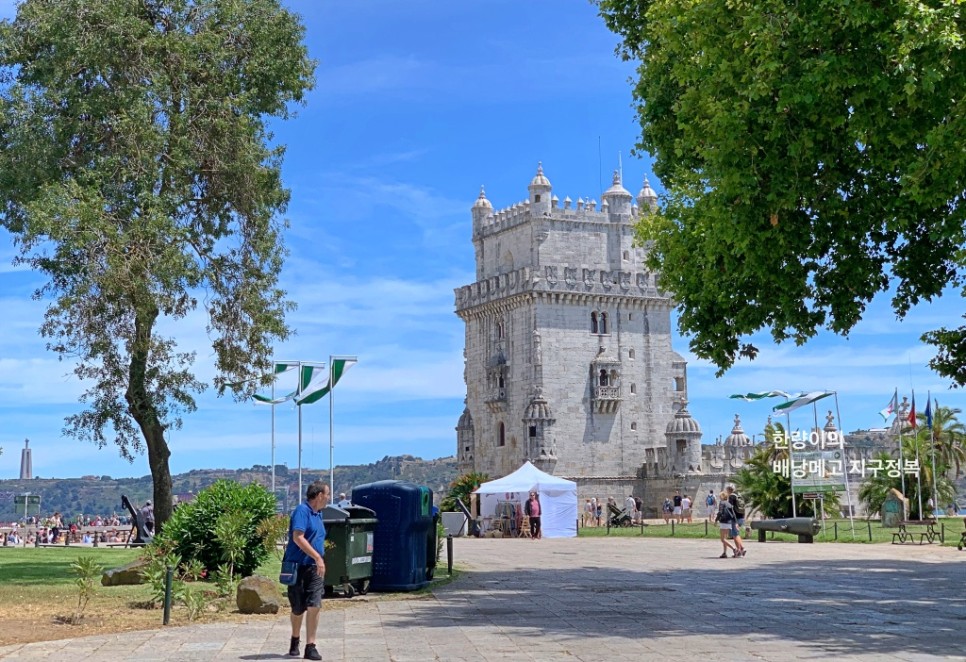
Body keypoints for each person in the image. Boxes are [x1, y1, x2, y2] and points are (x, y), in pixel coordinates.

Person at [283, 481, 331, 660]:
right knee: (298, 608)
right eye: (327, 494)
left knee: (314, 605)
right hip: (297, 566)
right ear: (319, 495)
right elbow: (298, 537)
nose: (328, 498)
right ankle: (295, 639)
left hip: (314, 568)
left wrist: (319, 559)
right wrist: (317, 557)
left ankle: (311, 646)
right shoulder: (302, 511)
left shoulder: (318, 515)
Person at [725, 485, 747, 557]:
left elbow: (731, 509)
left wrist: (734, 520)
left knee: (735, 535)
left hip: (735, 518)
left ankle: (738, 551)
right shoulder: (739, 495)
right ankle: (742, 548)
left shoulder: (731, 496)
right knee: (737, 534)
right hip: (741, 516)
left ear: (729, 490)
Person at [715, 491, 738, 558]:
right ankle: (724, 553)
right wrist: (735, 522)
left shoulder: (722, 503)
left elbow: (720, 512)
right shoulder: (729, 504)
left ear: (722, 496)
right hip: (729, 522)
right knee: (725, 538)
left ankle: (734, 549)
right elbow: (733, 514)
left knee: (722, 539)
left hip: (723, 522)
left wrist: (716, 520)